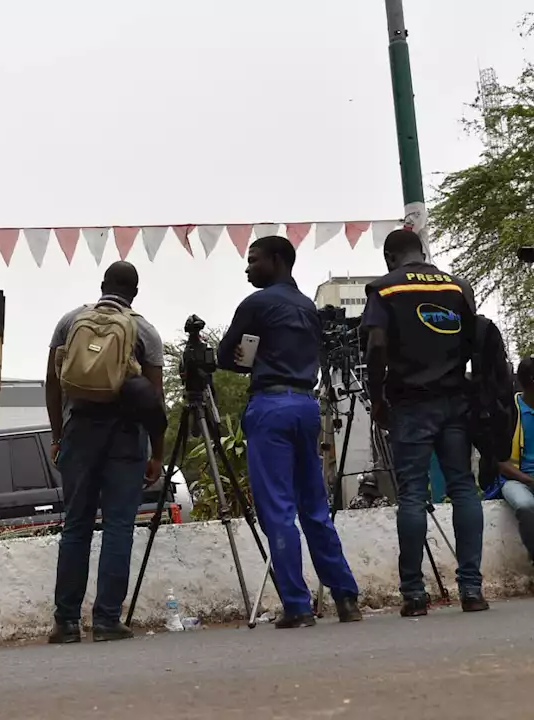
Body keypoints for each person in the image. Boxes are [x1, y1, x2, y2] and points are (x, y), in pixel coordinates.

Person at [217, 235, 362, 628]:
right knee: (314, 507)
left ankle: (297, 605)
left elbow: (224, 356)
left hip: (270, 407)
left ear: (277, 260)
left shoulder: (257, 304)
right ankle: (346, 598)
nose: (248, 268)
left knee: (278, 509)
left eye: (254, 260)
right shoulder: (308, 308)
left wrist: (253, 359)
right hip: (305, 405)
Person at [363, 228, 487, 616]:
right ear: (422, 252)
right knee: (464, 488)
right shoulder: (457, 287)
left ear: (390, 257)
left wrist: (378, 397)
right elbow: (476, 340)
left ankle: (415, 596)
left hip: (411, 405)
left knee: (414, 494)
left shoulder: (384, 289)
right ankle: (471, 591)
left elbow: (377, 345)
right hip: (455, 401)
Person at [46, 261, 166, 644]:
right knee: (118, 527)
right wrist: (157, 452)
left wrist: (58, 434)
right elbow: (155, 399)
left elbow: (52, 382)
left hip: (79, 430)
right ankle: (106, 621)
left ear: (102, 285)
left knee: (76, 526)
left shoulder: (70, 321)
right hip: (125, 437)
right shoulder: (144, 330)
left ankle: (65, 623)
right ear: (135, 292)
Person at [488, 357, 534, 563]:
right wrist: (530, 481)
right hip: (515, 480)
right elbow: (500, 462)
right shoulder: (508, 412)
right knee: (525, 505)